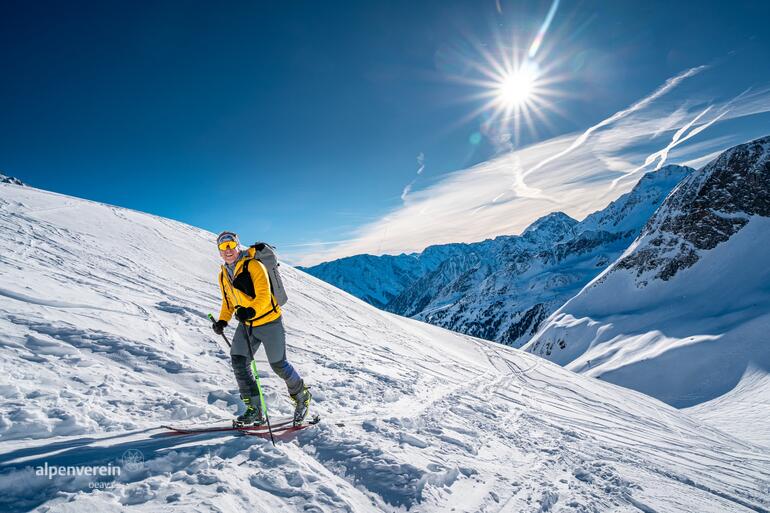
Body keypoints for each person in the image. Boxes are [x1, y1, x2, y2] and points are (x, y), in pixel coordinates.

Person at [210, 231, 311, 426]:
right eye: (223, 247)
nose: (228, 250)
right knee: (239, 361)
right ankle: (255, 409)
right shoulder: (223, 274)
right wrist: (223, 321)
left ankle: (301, 396)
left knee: (278, 365)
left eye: (231, 245)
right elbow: (227, 303)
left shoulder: (254, 265)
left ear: (238, 246)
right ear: (219, 252)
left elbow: (264, 295)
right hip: (247, 325)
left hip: (269, 321)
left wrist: (250, 310)